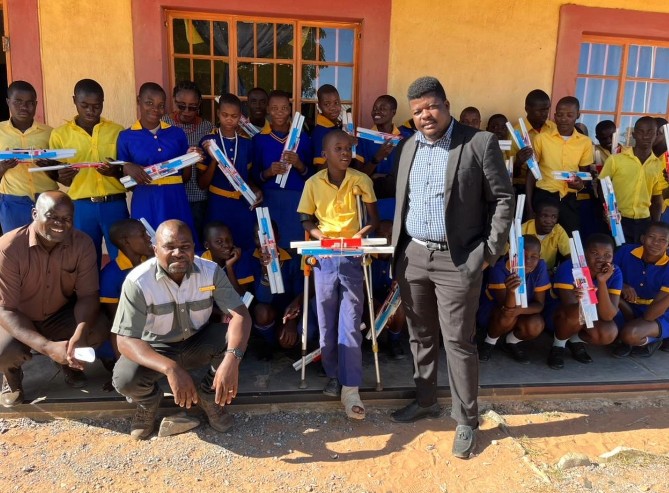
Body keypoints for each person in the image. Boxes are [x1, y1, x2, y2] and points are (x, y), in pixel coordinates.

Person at [381, 76, 514, 459]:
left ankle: (466, 420)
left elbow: (503, 199)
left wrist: (487, 253)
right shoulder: (408, 146)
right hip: (414, 256)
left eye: (431, 107)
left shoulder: (478, 142)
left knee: (457, 341)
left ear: (446, 105)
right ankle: (426, 400)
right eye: (417, 111)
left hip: (458, 260)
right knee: (420, 335)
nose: (425, 115)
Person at [111, 220, 252, 439]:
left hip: (198, 341)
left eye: (185, 247)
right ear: (155, 250)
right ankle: (148, 402)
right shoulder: (138, 281)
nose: (178, 253)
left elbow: (241, 314)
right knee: (125, 379)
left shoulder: (210, 271)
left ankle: (209, 397)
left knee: (235, 340)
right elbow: (125, 340)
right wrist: (170, 368)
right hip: (157, 346)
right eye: (169, 247)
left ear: (194, 248)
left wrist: (232, 359)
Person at [297, 129, 379, 421]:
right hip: (324, 257)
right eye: (338, 148)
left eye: (348, 148)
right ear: (325, 154)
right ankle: (334, 374)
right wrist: (322, 238)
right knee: (326, 321)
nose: (345, 153)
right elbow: (306, 218)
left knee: (350, 322)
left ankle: (351, 388)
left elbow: (373, 219)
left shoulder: (361, 180)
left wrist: (358, 236)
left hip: (352, 256)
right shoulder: (312, 183)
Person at [0, 191, 109, 407]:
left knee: (99, 327)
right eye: (52, 216)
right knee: (4, 351)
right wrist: (47, 347)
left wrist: (80, 334)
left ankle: (67, 362)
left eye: (67, 218)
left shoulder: (82, 244)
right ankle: (11, 377)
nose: (60, 224)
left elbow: (88, 295)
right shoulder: (9, 247)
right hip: (18, 318)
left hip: (59, 315)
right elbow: (6, 310)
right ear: (35, 213)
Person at [49, 79, 128, 265]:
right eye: (84, 105)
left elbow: (125, 171)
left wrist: (115, 171)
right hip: (81, 207)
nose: (90, 111)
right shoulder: (60, 135)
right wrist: (63, 176)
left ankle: (121, 286)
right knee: (85, 260)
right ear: (74, 100)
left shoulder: (117, 131)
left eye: (96, 106)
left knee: (123, 258)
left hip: (114, 204)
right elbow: (62, 180)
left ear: (103, 102)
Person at [116, 82, 199, 237]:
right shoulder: (126, 137)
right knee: (147, 242)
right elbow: (125, 181)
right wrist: (127, 167)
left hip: (175, 198)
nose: (155, 109)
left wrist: (191, 157)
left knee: (179, 241)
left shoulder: (177, 134)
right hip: (145, 199)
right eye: (149, 103)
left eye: (161, 105)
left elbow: (185, 177)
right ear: (138, 100)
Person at [546, 233, 621, 369]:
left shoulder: (614, 272)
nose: (601, 259)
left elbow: (608, 316)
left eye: (607, 255)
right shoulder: (569, 267)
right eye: (595, 253)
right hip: (560, 318)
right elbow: (570, 309)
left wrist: (602, 282)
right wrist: (582, 299)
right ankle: (558, 345)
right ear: (585, 253)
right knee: (578, 311)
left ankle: (574, 340)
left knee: (609, 332)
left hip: (590, 316)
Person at [198, 93, 261, 252]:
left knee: (245, 246)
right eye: (225, 115)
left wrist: (255, 190)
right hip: (217, 205)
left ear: (240, 117)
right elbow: (202, 184)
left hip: (243, 205)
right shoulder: (208, 142)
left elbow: (248, 177)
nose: (229, 120)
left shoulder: (247, 144)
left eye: (234, 116)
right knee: (218, 249)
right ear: (218, 113)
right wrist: (214, 160)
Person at [252, 90, 313, 248]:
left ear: (290, 109)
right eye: (274, 108)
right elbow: (253, 177)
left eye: (284, 108)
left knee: (295, 245)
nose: (279, 112)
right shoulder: (259, 140)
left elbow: (313, 176)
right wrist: (269, 172)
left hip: (297, 200)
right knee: (271, 245)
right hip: (269, 199)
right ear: (268, 110)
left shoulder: (303, 139)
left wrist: (299, 164)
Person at [478, 235, 550, 364]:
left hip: (520, 311)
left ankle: (511, 342)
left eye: (534, 256)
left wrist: (520, 310)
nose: (528, 261)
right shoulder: (499, 268)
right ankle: (489, 342)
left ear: (539, 257)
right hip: (495, 313)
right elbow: (506, 307)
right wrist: (511, 291)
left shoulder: (540, 266)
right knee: (508, 315)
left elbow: (539, 305)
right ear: (513, 254)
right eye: (523, 255)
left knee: (536, 324)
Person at [526, 96, 593, 233]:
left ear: (578, 115)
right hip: (544, 196)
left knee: (570, 238)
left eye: (569, 115)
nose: (564, 119)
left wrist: (580, 184)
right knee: (540, 239)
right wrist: (529, 208)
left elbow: (584, 175)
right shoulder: (541, 139)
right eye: (560, 115)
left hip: (569, 198)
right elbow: (531, 173)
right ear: (555, 116)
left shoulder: (585, 142)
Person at [0, 81, 57, 232]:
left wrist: (49, 165)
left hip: (48, 200)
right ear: (8, 102)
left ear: (36, 104)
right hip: (13, 202)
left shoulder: (50, 133)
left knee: (50, 244)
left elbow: (61, 171)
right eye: (18, 102)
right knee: (16, 244)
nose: (24, 107)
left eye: (29, 103)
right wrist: (3, 167)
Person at [599, 117, 666, 244]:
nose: (645, 136)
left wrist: (655, 225)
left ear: (657, 134)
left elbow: (657, 199)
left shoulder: (658, 165)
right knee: (618, 253)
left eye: (650, 132)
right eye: (641, 132)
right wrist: (608, 210)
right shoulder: (615, 160)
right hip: (618, 219)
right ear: (634, 134)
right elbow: (602, 186)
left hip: (644, 221)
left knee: (638, 254)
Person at [162, 81, 215, 240]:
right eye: (181, 106)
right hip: (171, 194)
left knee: (196, 240)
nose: (186, 111)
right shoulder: (164, 124)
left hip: (198, 196)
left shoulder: (207, 128)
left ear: (199, 104)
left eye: (192, 107)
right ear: (173, 101)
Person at [612, 222, 669, 358]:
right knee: (607, 332)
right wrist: (622, 285)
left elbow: (650, 315)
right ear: (643, 238)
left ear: (668, 245)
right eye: (651, 237)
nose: (656, 243)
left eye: (662, 240)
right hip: (626, 306)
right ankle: (628, 339)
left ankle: (653, 340)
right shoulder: (625, 252)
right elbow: (608, 278)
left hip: (658, 312)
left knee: (630, 334)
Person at [250, 219, 305, 360]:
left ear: (278, 238)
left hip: (288, 312)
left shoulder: (292, 260)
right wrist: (265, 273)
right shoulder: (252, 260)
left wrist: (292, 321)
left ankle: (279, 343)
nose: (264, 244)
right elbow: (262, 299)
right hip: (265, 315)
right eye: (258, 238)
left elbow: (300, 293)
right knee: (262, 312)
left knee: (286, 341)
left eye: (269, 238)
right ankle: (268, 343)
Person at [357, 95, 411, 220]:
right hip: (372, 199)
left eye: (383, 108)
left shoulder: (406, 137)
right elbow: (358, 176)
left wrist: (383, 176)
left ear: (393, 112)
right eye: (375, 108)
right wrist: (377, 158)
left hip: (399, 199)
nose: (377, 111)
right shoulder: (363, 138)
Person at [100, 219, 154, 321]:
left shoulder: (150, 263)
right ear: (126, 242)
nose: (149, 237)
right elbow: (115, 317)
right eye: (143, 235)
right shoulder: (110, 275)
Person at [511, 90, 556, 197]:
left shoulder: (554, 128)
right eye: (540, 110)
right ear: (527, 109)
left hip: (550, 183)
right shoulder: (516, 133)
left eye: (547, 109)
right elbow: (510, 172)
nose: (545, 114)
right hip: (523, 184)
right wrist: (518, 162)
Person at [311, 84, 363, 170]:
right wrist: (345, 143)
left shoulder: (340, 127)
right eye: (327, 104)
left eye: (336, 103)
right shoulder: (320, 133)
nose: (333, 108)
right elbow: (320, 170)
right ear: (319, 106)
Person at [201, 221, 255, 297]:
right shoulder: (199, 262)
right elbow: (200, 291)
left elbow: (241, 295)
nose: (226, 245)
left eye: (229, 239)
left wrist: (229, 267)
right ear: (207, 245)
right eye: (219, 241)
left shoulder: (240, 258)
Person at [521, 198, 570, 271]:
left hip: (547, 272)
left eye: (553, 217)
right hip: (524, 271)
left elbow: (570, 255)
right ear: (535, 216)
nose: (549, 221)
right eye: (544, 216)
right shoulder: (522, 230)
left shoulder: (558, 231)